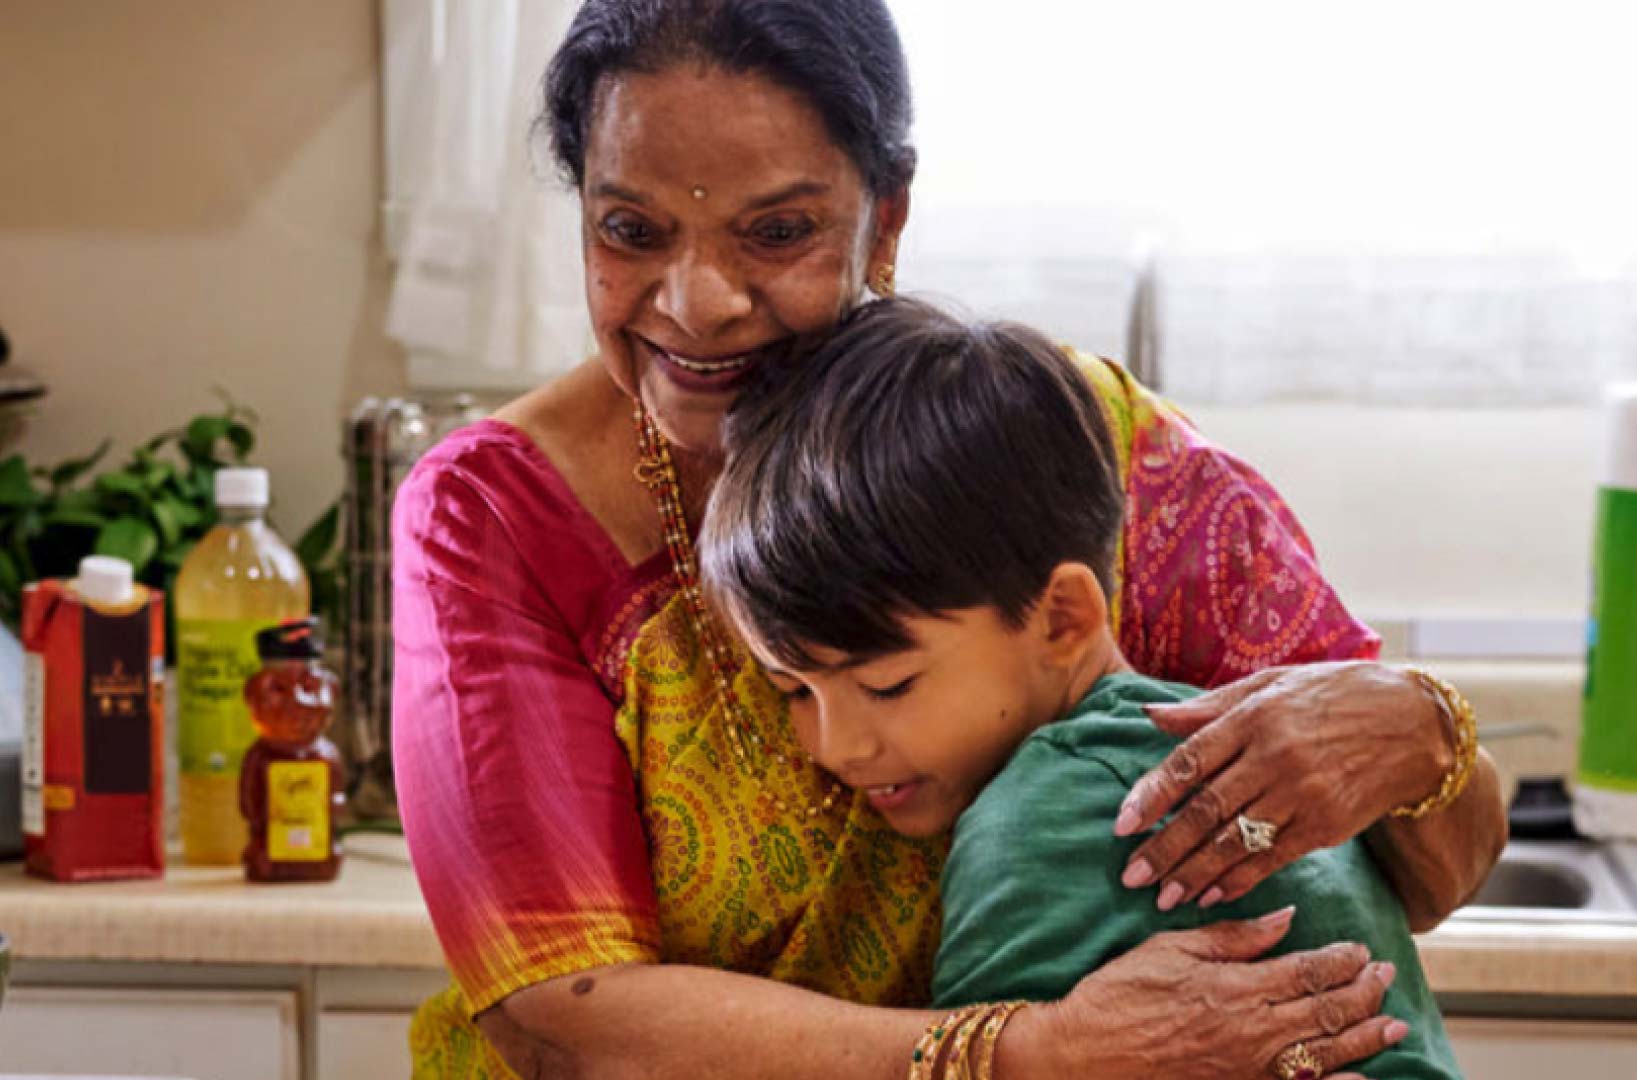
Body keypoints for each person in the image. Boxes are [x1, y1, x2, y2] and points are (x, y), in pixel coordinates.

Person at [391, 1, 1508, 1076]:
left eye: (778, 232)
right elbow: (559, 1021)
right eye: (631, 232)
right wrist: (1035, 1057)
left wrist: (1418, 732)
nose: (698, 303)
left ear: (890, 215)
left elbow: (1393, 877)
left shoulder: (1059, 440)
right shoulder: (495, 520)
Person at [699, 298, 1464, 1080]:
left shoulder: (1033, 823)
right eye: (791, 689)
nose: (836, 746)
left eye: (887, 685)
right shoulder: (1269, 758)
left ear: (1062, 617)